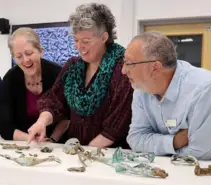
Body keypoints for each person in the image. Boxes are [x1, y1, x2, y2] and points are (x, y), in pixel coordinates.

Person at [123, 31, 211, 160]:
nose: (123, 70)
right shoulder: (142, 89)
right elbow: (135, 139)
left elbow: (199, 152)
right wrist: (174, 142)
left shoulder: (206, 87)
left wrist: (157, 145)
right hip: (175, 160)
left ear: (155, 67)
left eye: (129, 63)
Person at [27, 3, 133, 148]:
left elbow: (117, 125)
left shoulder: (122, 69)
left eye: (85, 41)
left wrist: (86, 153)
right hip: (76, 151)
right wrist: (41, 122)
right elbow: (54, 101)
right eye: (76, 40)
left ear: (104, 37)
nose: (79, 46)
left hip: (109, 154)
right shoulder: (72, 66)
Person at [0, 27, 69, 142]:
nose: (26, 60)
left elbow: (67, 116)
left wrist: (51, 140)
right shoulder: (10, 79)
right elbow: (5, 127)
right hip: (24, 144)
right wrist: (32, 140)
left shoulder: (58, 74)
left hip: (57, 143)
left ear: (41, 51)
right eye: (19, 56)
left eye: (29, 53)